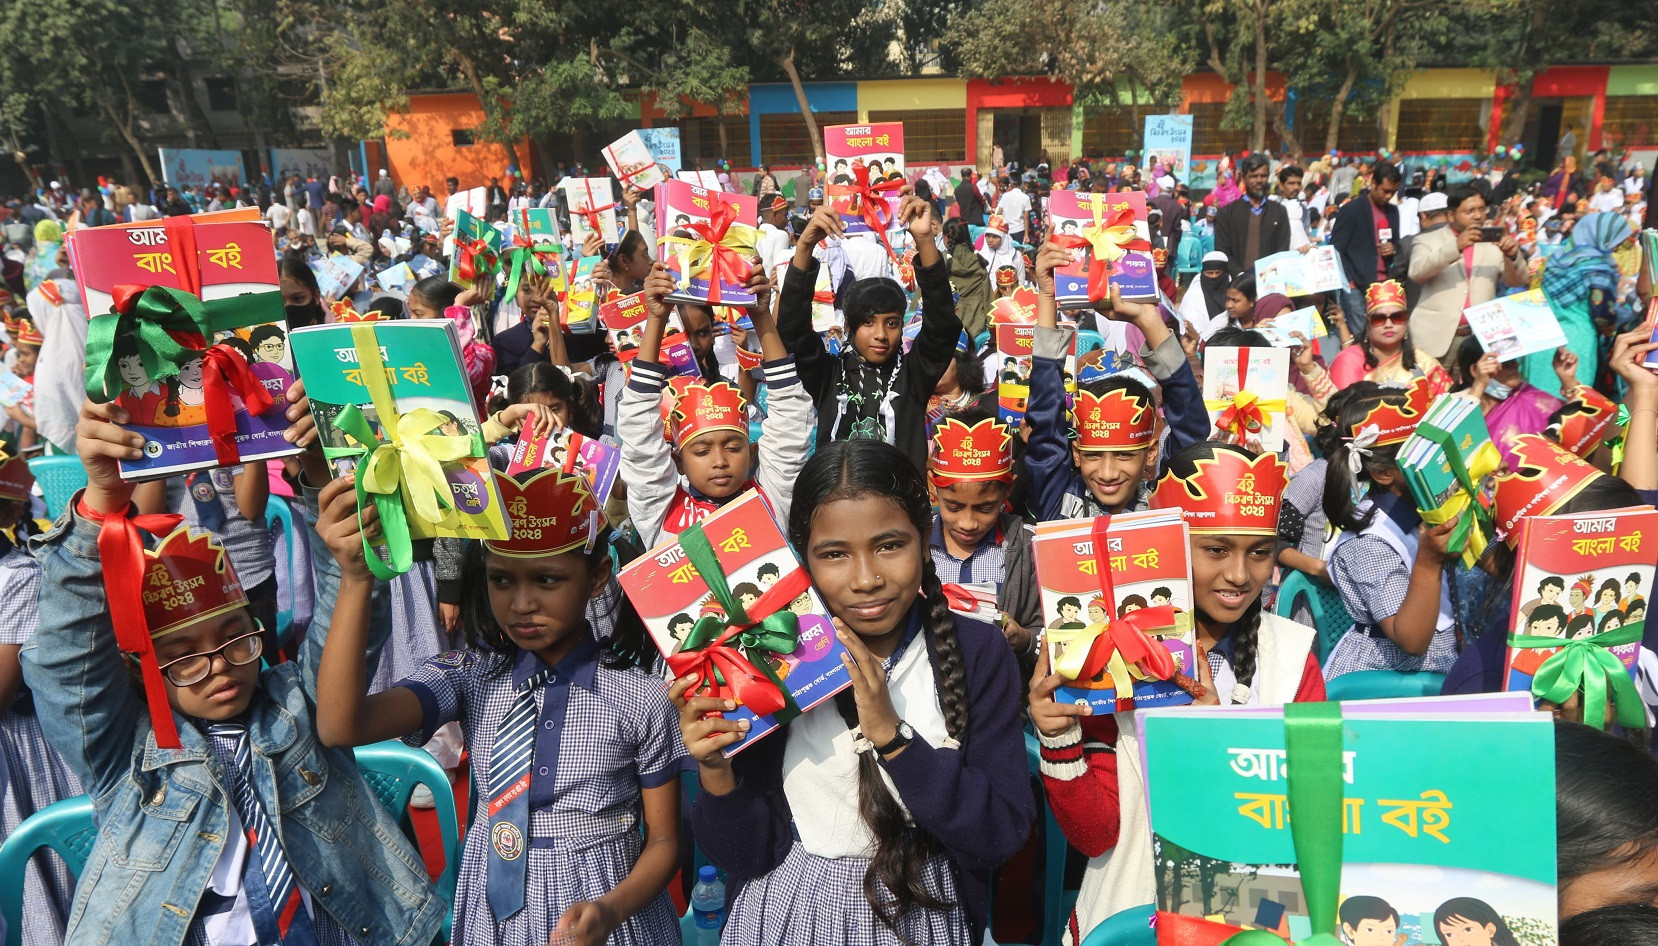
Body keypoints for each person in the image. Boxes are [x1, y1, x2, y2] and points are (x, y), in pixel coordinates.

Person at [23, 393, 446, 946]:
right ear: (142, 668)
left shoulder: (302, 705)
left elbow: (352, 611)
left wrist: (318, 476)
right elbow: (66, 661)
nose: (220, 667)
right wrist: (100, 506)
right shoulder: (124, 755)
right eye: (185, 658)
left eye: (235, 640)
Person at [679, 438, 1034, 945]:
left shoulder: (978, 652)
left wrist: (894, 739)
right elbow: (747, 855)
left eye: (890, 545)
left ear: (925, 535)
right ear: (801, 557)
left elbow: (1000, 833)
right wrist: (716, 769)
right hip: (787, 914)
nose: (866, 579)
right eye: (834, 554)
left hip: (926, 912)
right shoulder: (768, 658)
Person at [316, 467, 685, 946]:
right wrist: (354, 578)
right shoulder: (471, 674)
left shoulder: (640, 696)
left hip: (607, 912)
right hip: (493, 911)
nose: (521, 603)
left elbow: (663, 841)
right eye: (501, 580)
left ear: (597, 577)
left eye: (548, 579)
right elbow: (340, 724)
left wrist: (610, 910)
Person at [1033, 442, 1323, 943]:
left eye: (1259, 552)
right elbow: (1095, 834)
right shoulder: (1108, 655)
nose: (1239, 574)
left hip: (1259, 920)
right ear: (1169, 544)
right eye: (1216, 549)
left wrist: (1207, 741)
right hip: (1130, 916)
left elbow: (1311, 817)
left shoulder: (1291, 658)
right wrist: (1058, 739)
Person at [618, 262, 811, 546]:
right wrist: (657, 319)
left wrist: (761, 317)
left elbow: (792, 423)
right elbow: (640, 440)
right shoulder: (662, 515)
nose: (720, 462)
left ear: (753, 452)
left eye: (734, 448)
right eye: (702, 451)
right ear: (678, 463)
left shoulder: (772, 500)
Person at [1024, 240, 1207, 521]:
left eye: (1123, 455)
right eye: (1093, 455)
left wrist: (1148, 318)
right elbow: (1046, 417)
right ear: (1076, 453)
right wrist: (1048, 297)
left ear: (1150, 453)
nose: (1107, 473)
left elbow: (1190, 427)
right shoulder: (1058, 502)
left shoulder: (1165, 504)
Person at [779, 196, 961, 473]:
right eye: (868, 322)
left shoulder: (914, 376)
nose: (880, 335)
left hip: (899, 510)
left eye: (892, 323)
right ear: (849, 327)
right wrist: (804, 246)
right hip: (838, 508)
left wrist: (924, 240)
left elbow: (941, 327)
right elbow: (793, 331)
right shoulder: (828, 375)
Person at [1320, 380, 1462, 678]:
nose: (1443, 462)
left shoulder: (1426, 509)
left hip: (1441, 672)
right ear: (1384, 473)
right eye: (1425, 457)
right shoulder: (1369, 542)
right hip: (1385, 685)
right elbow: (1411, 640)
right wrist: (1428, 561)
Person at [927, 411, 1043, 663]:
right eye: (953, 507)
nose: (968, 523)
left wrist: (1023, 639)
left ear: (1008, 491)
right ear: (933, 488)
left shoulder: (1027, 547)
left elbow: (1049, 629)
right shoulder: (914, 545)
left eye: (985, 508)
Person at [1408, 184, 1528, 369]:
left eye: (1482, 209)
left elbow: (1517, 281)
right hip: (1435, 339)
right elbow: (1417, 273)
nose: (1479, 216)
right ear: (1451, 215)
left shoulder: (1493, 243)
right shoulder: (1427, 240)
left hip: (1478, 340)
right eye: (1470, 211)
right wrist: (1455, 247)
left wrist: (1513, 256)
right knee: (1431, 395)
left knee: (1473, 395)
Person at [1528, 211, 1633, 397]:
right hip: (1576, 346)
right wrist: (1621, 319)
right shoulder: (1598, 267)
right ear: (1601, 236)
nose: (1616, 247)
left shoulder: (1554, 259)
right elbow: (1602, 316)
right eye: (1615, 240)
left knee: (1535, 403)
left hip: (1541, 339)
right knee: (1572, 403)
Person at [1320, 279, 1452, 393]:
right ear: (1368, 323)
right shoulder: (1348, 361)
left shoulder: (1425, 363)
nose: (1388, 324)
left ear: (1406, 321)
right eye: (1379, 318)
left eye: (1397, 317)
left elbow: (1447, 408)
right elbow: (1343, 412)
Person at [1329, 161, 1403, 339]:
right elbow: (1336, 249)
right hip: (1356, 287)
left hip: (1384, 285)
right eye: (1385, 191)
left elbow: (1397, 243)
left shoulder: (1393, 212)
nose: (1388, 196)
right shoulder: (1352, 210)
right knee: (1361, 335)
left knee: (1382, 334)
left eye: (1392, 192)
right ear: (1373, 184)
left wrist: (1392, 248)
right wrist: (1350, 282)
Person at [1212, 153, 1290, 278]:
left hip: (1269, 281)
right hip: (1236, 284)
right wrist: (1239, 275)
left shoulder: (1279, 212)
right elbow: (1222, 250)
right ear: (1243, 178)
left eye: (1263, 176)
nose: (1259, 180)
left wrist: (1267, 275)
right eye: (1253, 176)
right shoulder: (1228, 213)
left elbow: (1282, 248)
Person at [1390, 190, 1449, 310]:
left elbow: (1396, 284)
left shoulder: (1408, 244)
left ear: (1423, 216)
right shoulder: (1462, 241)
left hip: (1418, 313)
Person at [945, 218, 993, 340]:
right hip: (976, 326)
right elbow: (988, 299)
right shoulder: (979, 261)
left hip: (948, 324)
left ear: (946, 238)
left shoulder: (943, 262)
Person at [1177, 251, 1231, 340]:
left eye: (1218, 273)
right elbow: (1192, 330)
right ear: (1203, 273)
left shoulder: (1233, 292)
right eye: (1210, 273)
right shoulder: (1193, 296)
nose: (1214, 277)